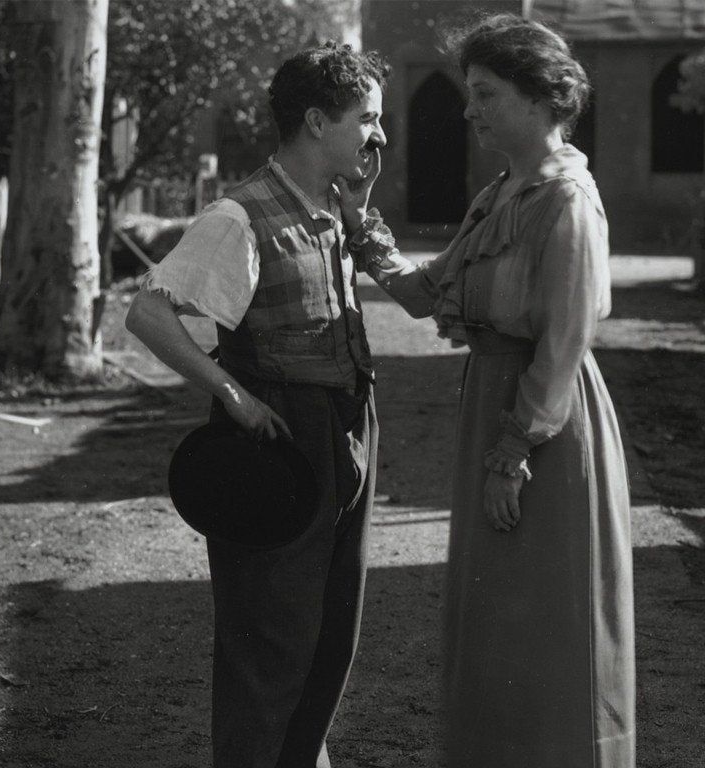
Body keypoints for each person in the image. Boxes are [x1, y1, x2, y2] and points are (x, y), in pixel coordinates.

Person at [336, 13, 634, 767]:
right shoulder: (501, 192)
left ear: (539, 99)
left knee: (546, 615)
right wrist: (358, 216)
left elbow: (564, 343)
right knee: (497, 614)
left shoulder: (566, 200)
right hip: (495, 402)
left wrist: (513, 451)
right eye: (469, 93)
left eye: (485, 93)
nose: (468, 110)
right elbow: (422, 292)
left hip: (543, 424)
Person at [124, 42, 389, 768]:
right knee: (270, 642)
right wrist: (230, 392)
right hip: (279, 440)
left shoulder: (335, 207)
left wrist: (359, 213)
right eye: (365, 119)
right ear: (313, 121)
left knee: (333, 635)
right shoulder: (239, 216)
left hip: (347, 425)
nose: (378, 136)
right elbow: (148, 313)